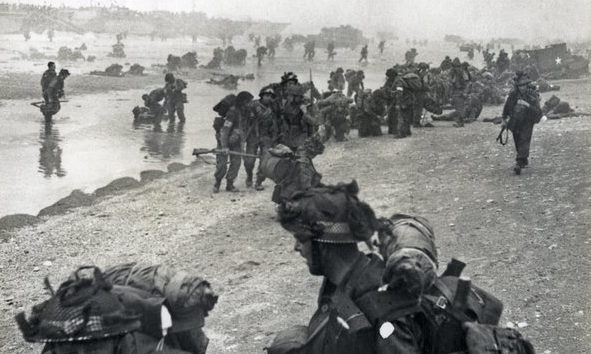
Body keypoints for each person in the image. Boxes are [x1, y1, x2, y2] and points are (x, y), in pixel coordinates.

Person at [268, 182, 536, 354]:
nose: (297, 249)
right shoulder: (347, 279)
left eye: (300, 239)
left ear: (324, 244)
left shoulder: (384, 308)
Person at [501, 72, 543, 175]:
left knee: (524, 138)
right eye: (520, 85)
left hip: (528, 120)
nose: (522, 87)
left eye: (524, 85)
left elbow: (538, 111)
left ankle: (519, 162)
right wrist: (504, 119)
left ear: (527, 85)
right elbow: (507, 108)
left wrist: (527, 105)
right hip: (515, 121)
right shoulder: (513, 94)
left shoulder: (532, 94)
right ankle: (523, 159)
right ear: (517, 86)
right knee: (517, 140)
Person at [212, 91, 253, 193]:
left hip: (236, 141)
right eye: (248, 102)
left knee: (236, 163)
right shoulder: (232, 112)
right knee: (222, 164)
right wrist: (224, 146)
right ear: (243, 102)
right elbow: (225, 130)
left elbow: (244, 128)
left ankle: (229, 185)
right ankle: (217, 183)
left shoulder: (246, 112)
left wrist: (242, 144)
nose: (250, 104)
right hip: (224, 140)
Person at [244, 87, 279, 190]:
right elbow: (247, 119)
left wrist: (274, 136)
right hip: (253, 135)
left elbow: (276, 123)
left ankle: (259, 181)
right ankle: (249, 175)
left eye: (271, 97)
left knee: (265, 160)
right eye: (266, 96)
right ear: (262, 95)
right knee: (249, 161)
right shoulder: (253, 105)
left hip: (266, 136)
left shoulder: (273, 107)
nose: (269, 98)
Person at [449, 58, 471, 127]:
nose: (455, 68)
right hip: (457, 91)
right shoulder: (455, 72)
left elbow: (467, 83)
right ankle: (459, 121)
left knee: (460, 108)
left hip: (460, 91)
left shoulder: (461, 72)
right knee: (458, 107)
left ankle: (460, 122)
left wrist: (465, 92)